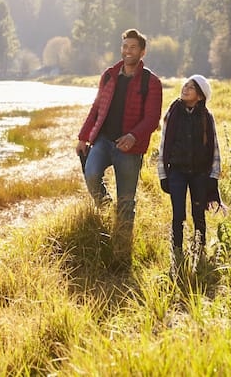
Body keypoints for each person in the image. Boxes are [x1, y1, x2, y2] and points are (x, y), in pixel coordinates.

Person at [76, 29, 163, 244]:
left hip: (130, 149)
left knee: (126, 201)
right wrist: (83, 137)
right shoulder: (109, 75)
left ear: (142, 52)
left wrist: (133, 136)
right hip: (103, 141)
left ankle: (122, 245)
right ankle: (106, 210)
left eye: (133, 47)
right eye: (125, 46)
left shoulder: (151, 82)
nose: (127, 51)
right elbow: (97, 107)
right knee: (92, 175)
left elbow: (152, 118)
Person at [156, 75, 221, 261]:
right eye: (186, 85)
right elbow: (163, 145)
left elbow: (215, 147)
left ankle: (199, 250)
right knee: (178, 214)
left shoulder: (206, 117)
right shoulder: (173, 113)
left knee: (198, 213)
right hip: (177, 171)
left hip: (200, 173)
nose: (186, 88)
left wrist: (213, 176)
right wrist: (163, 174)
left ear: (200, 96)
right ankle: (177, 251)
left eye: (192, 87)